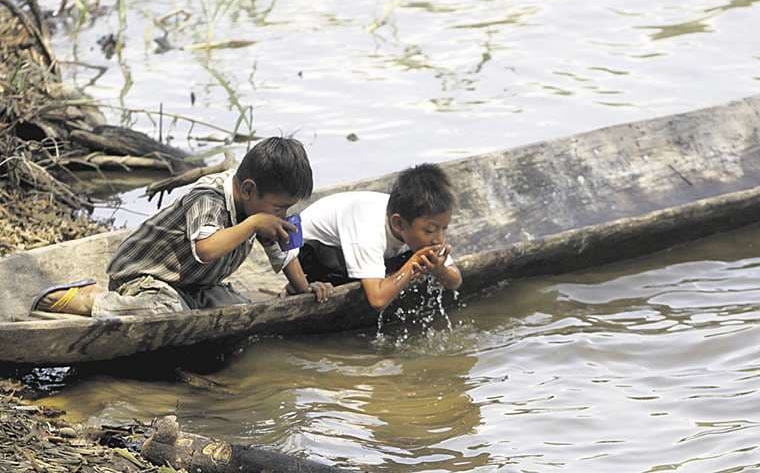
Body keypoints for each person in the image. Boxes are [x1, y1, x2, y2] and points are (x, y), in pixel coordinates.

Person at [31, 137, 333, 317]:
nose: (281, 215)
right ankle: (88, 298)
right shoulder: (210, 196)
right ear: (249, 189)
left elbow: (284, 256)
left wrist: (305, 289)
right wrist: (255, 222)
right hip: (143, 276)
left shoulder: (259, 209)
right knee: (167, 310)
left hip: (192, 283)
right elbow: (206, 248)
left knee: (237, 307)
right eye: (279, 208)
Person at [295, 163, 462, 311]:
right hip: (311, 253)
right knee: (399, 268)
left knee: (407, 262)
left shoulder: (422, 224)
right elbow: (377, 300)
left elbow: (456, 280)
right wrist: (413, 263)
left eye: (444, 229)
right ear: (399, 224)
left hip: (348, 249)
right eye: (430, 231)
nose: (438, 239)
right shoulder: (367, 228)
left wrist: (440, 270)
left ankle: (375, 274)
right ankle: (298, 285)